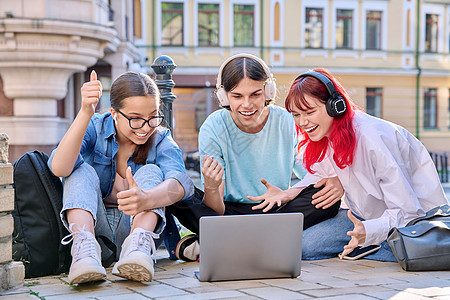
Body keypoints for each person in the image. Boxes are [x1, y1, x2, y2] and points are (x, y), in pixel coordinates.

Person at [257, 68, 449, 261]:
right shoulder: (328, 134)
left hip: (415, 224)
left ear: (335, 105)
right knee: (304, 247)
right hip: (362, 217)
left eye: (309, 112)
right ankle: (370, 245)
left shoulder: (373, 139)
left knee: (398, 251)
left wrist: (369, 231)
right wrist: (288, 193)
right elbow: (319, 174)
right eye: (296, 115)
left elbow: (407, 212)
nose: (302, 122)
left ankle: (375, 246)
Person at [168, 54, 343, 262]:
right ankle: (263, 242)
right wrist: (212, 188)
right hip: (229, 213)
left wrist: (292, 192)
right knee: (176, 193)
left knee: (326, 197)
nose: (247, 104)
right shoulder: (213, 127)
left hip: (275, 208)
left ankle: (225, 243)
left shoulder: (288, 121)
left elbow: (313, 176)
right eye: (237, 96)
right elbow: (215, 211)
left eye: (255, 94)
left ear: (268, 92)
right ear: (224, 97)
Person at [49, 71, 194, 284]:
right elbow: (59, 168)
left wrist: (148, 198)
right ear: (114, 113)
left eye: (152, 116)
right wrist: (85, 112)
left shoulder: (161, 138)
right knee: (78, 169)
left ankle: (136, 250)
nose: (146, 128)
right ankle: (84, 253)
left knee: (151, 170)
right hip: (95, 228)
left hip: (138, 231)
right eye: (135, 119)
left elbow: (182, 183)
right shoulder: (95, 127)